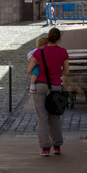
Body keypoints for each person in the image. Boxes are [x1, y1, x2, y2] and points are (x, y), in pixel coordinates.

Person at [26, 26, 69, 156]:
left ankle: (45, 148)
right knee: (55, 116)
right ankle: (57, 146)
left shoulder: (39, 52)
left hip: (39, 86)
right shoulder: (63, 52)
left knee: (42, 117)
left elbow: (29, 70)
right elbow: (66, 71)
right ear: (59, 39)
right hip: (55, 86)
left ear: (48, 37)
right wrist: (57, 74)